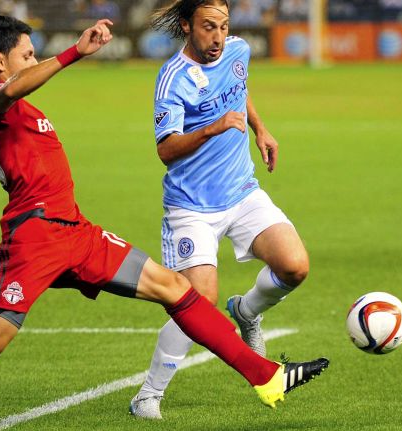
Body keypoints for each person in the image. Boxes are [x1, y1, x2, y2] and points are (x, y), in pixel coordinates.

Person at [0, 15, 329, 431]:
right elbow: (7, 91)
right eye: (27, 54)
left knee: (177, 289)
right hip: (34, 237)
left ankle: (266, 377)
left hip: (75, 232)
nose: (33, 61)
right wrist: (73, 54)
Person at [130, 0, 314, 419]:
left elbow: (239, 89)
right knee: (198, 301)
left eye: (224, 26)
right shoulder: (173, 78)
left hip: (242, 191)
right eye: (209, 27)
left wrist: (260, 129)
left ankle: (247, 312)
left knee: (295, 266)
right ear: (186, 25)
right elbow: (165, 150)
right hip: (192, 207)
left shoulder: (237, 50)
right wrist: (212, 128)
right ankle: (147, 395)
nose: (218, 37)